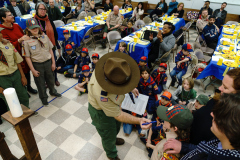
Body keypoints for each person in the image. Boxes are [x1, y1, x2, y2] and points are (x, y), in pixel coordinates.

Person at [88, 52, 152, 160]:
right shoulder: (101, 93)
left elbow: (120, 76)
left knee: (116, 126)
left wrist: (129, 87)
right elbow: (118, 115)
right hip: (100, 112)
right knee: (108, 134)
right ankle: (111, 154)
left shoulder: (109, 66)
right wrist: (139, 120)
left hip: (115, 106)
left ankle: (114, 136)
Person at [162, 68, 240, 155]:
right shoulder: (219, 99)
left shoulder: (232, 122)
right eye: (222, 84)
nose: (219, 88)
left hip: (193, 148)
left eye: (225, 88)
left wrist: (185, 147)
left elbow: (211, 151)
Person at [181, 93, 240, 160]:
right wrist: (183, 147)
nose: (212, 114)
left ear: (231, 128)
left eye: (218, 113)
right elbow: (203, 149)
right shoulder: (219, 141)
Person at [23, 18, 62, 106]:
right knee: (40, 83)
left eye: (36, 27)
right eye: (32, 28)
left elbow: (51, 50)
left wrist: (53, 63)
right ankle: (44, 98)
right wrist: (32, 70)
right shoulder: (26, 42)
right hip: (37, 65)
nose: (35, 29)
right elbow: (27, 57)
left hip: (48, 62)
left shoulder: (44, 36)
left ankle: (53, 91)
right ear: (28, 29)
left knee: (51, 79)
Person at [0, 8, 38, 95]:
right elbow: (8, 46)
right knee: (20, 75)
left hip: (24, 54)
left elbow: (24, 36)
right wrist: (19, 40)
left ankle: (28, 86)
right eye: (9, 15)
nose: (13, 16)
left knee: (27, 72)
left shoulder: (16, 26)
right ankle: (23, 89)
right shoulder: (2, 31)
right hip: (14, 58)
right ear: (3, 18)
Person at [0, 28, 29, 110]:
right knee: (9, 100)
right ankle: (16, 116)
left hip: (15, 74)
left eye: (0, 32)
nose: (1, 34)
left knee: (23, 95)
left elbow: (17, 60)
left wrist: (22, 76)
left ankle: (26, 111)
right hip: (2, 79)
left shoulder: (7, 44)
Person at [34, 2, 61, 86]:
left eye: (44, 9)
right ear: (37, 10)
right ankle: (46, 81)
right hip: (40, 49)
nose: (43, 11)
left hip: (51, 46)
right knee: (44, 66)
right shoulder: (34, 21)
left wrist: (55, 44)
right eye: (41, 9)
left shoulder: (49, 20)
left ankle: (55, 79)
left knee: (54, 64)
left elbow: (55, 34)